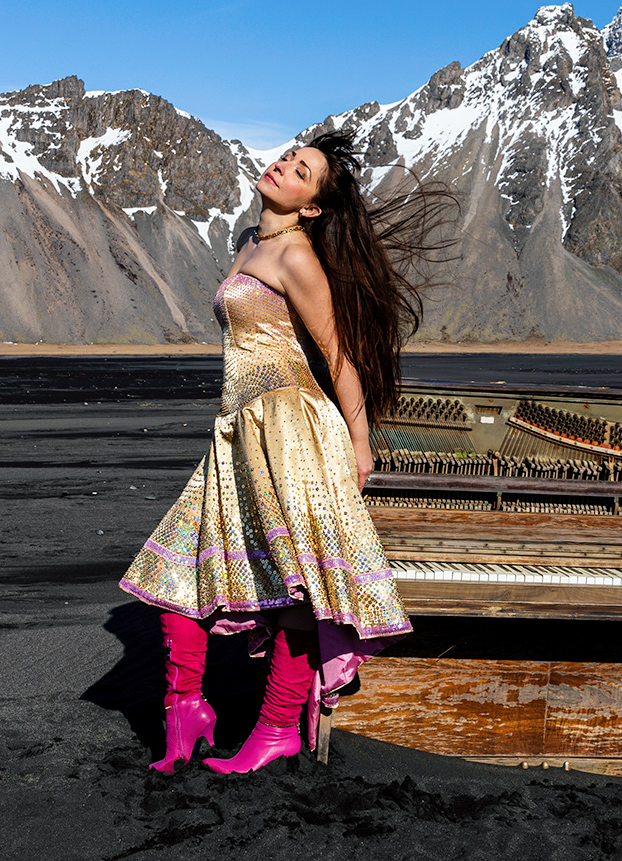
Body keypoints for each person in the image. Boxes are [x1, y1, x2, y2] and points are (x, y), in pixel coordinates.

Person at [120, 132, 446, 774]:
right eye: (288, 157)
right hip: (238, 431)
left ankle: (276, 729)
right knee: (176, 574)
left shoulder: (296, 257)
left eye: (302, 172)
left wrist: (359, 444)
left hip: (292, 429)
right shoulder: (250, 241)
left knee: (296, 588)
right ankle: (185, 709)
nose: (283, 167)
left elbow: (339, 353)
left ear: (313, 208)